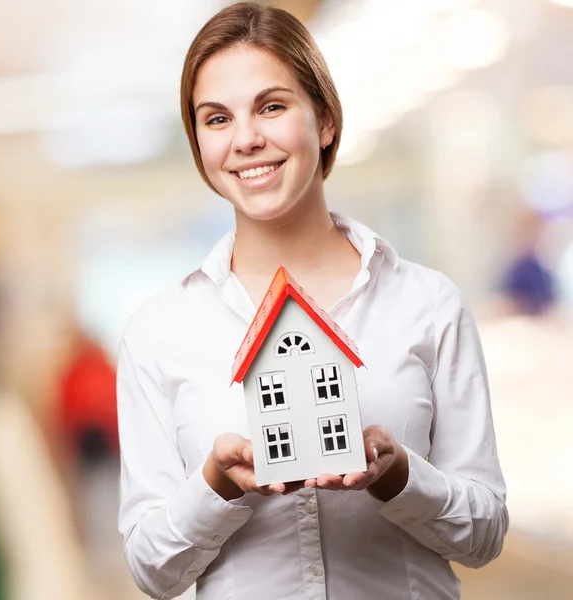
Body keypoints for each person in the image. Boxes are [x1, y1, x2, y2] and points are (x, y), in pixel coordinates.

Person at [117, 4, 508, 599]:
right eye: (216, 118)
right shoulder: (158, 332)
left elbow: (484, 535)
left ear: (324, 121)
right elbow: (152, 571)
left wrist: (401, 477)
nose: (246, 139)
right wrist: (217, 487)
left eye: (271, 106)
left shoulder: (429, 305)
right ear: (199, 143)